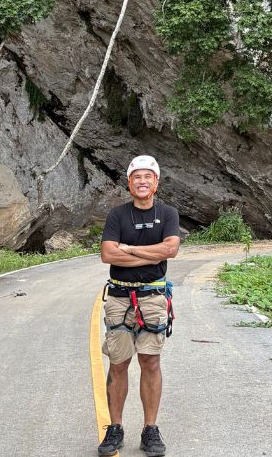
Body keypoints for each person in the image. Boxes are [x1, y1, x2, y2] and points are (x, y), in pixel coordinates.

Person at [97, 155, 180, 457]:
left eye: (148, 177)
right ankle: (115, 427)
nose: (142, 181)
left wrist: (129, 248)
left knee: (151, 362)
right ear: (129, 183)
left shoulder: (168, 213)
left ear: (156, 183)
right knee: (118, 364)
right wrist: (151, 254)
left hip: (153, 298)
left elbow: (170, 249)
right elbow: (108, 255)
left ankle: (150, 429)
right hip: (119, 298)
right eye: (137, 177)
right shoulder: (117, 215)